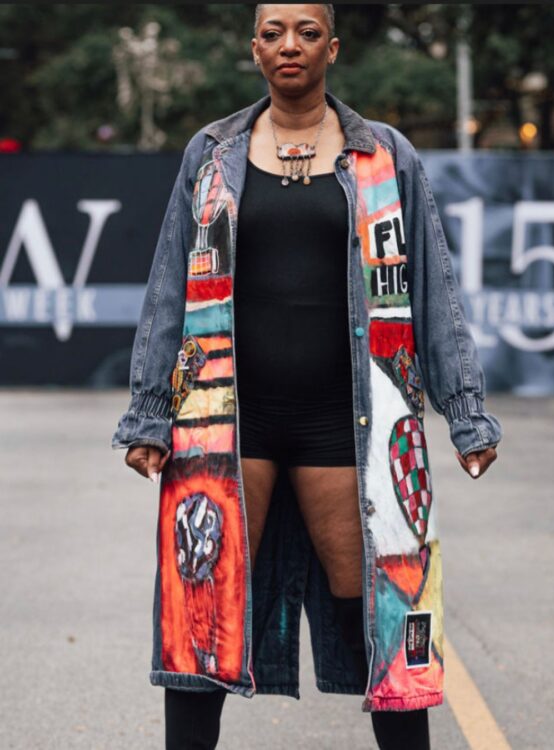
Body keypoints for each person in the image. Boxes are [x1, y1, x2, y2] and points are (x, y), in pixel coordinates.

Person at [112, 4, 502, 749]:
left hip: (351, 418)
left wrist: (466, 413)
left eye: (307, 32)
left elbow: (432, 287)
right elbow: (170, 284)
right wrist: (149, 415)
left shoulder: (385, 156)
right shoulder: (212, 152)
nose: (289, 45)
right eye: (273, 33)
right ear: (254, 48)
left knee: (389, 622)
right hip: (228, 419)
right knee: (201, 620)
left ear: (333, 47)